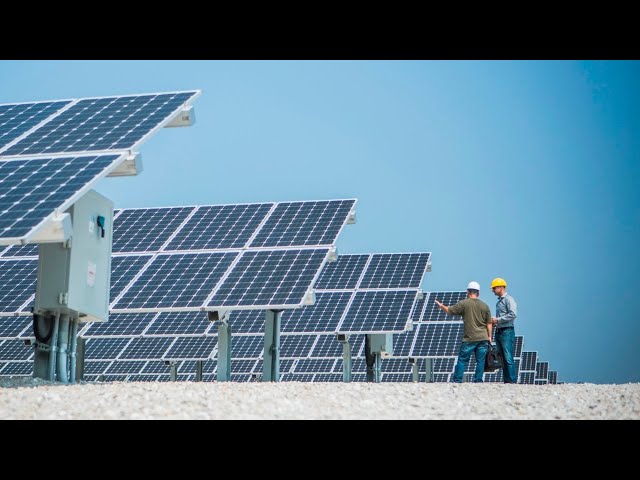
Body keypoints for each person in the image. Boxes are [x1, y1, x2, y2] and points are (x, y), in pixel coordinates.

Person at [435, 281, 492, 383]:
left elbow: (449, 311)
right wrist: (489, 336)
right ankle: (478, 380)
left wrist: (441, 306)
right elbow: (489, 323)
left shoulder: (464, 303)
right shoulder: (485, 306)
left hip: (469, 338)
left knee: (462, 360)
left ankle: (457, 380)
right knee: (481, 361)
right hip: (483, 337)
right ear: (478, 293)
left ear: (468, 292)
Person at [490, 277, 518, 383]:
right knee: (502, 358)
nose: (492, 290)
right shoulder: (499, 302)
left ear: (501, 287)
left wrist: (497, 320)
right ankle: (507, 381)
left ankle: (511, 381)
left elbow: (513, 314)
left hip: (507, 332)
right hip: (499, 332)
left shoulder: (508, 300)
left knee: (508, 357)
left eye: (494, 288)